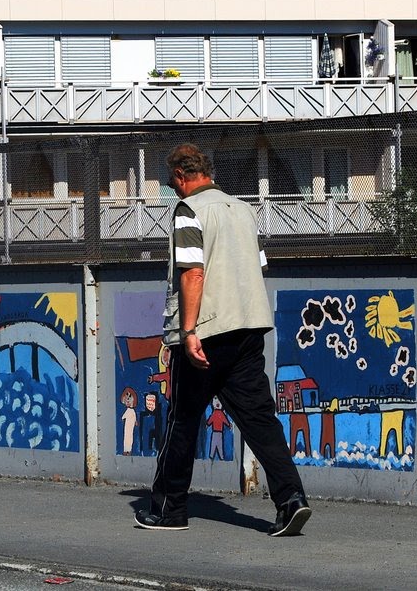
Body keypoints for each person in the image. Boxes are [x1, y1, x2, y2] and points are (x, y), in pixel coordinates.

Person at [134, 143, 312, 537]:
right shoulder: (244, 210)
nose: (173, 190)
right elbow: (258, 266)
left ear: (182, 176)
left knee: (182, 420)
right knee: (260, 420)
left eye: (171, 182)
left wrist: (190, 330)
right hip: (249, 328)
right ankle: (291, 499)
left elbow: (192, 274)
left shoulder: (189, 211)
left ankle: (169, 511)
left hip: (205, 333)